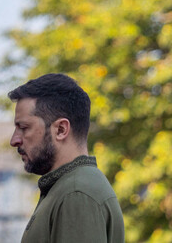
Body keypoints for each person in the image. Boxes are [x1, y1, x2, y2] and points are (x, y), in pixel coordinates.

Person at [9, 73, 124, 243]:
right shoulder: (68, 188)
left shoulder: (76, 194)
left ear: (61, 129)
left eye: (24, 127)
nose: (14, 140)